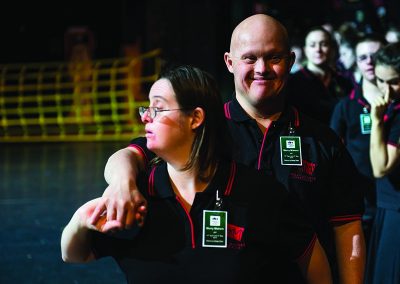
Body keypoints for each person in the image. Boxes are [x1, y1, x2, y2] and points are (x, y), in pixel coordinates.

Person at [94, 14, 365, 283]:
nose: (262, 69)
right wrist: (121, 184)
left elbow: (347, 226)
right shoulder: (200, 130)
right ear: (229, 62)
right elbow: (130, 155)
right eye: (250, 58)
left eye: (274, 58)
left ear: (291, 62)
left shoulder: (323, 140)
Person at [61, 65, 332, 283]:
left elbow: (310, 257)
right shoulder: (138, 194)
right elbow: (74, 254)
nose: (146, 117)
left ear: (195, 118)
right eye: (147, 108)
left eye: (158, 108)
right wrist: (81, 220)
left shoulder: (256, 191)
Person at [330, 34, 384, 244]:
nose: (369, 62)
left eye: (375, 56)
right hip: (362, 198)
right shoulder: (345, 106)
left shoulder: (394, 103)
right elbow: (333, 152)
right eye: (362, 57)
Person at [365, 42, 400, 284]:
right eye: (380, 80)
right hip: (386, 206)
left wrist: (376, 120)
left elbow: (381, 167)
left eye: (394, 81)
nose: (386, 90)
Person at [286, 26, 353, 124]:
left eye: (324, 44)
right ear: (305, 50)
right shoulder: (293, 82)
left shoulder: (342, 82)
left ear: (331, 49)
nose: (318, 49)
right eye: (312, 45)